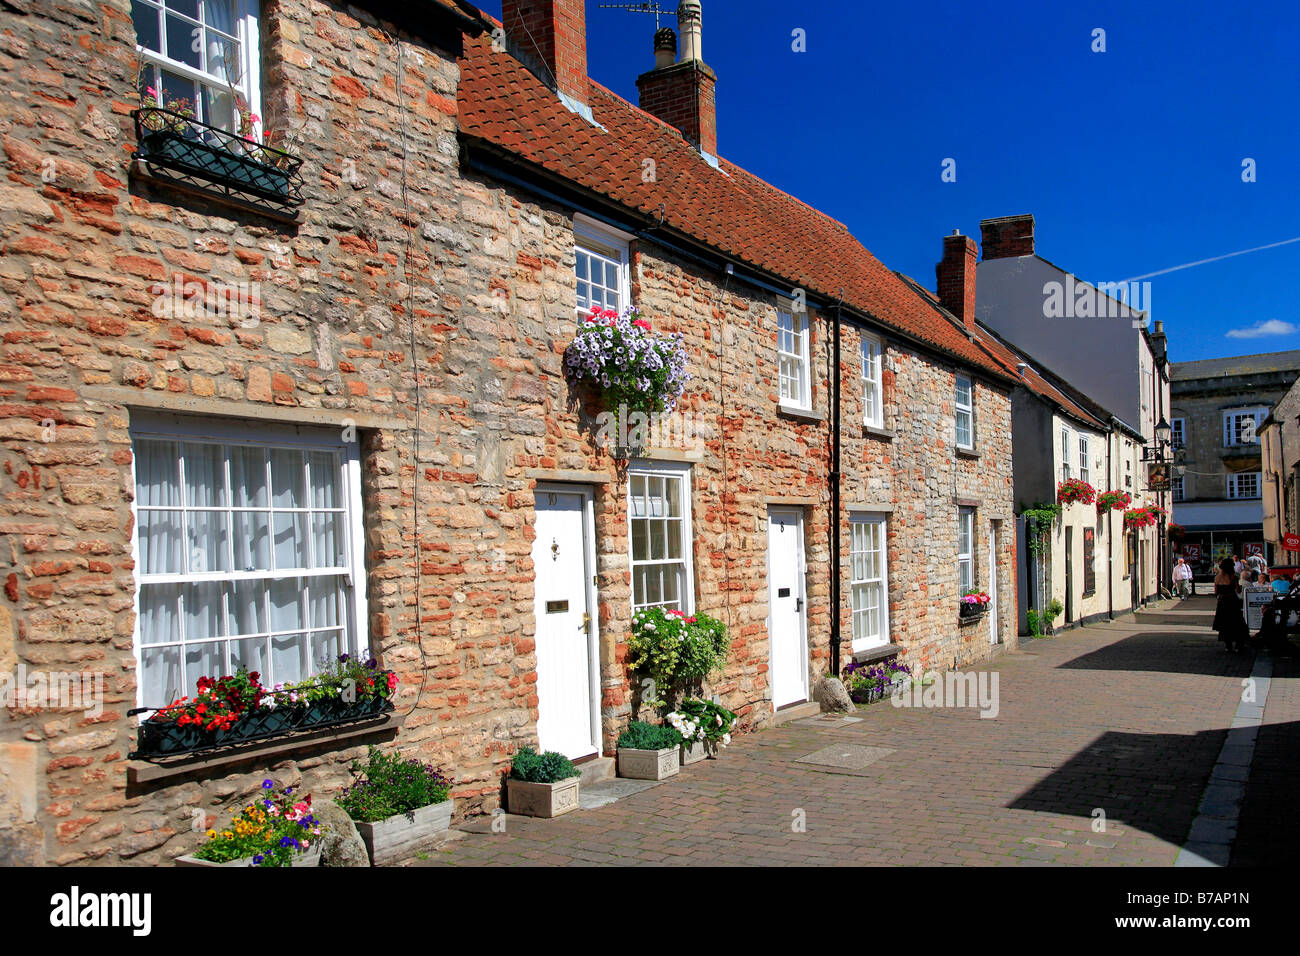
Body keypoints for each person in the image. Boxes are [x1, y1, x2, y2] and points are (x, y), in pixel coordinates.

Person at [1214, 557, 1250, 653]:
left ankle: (1228, 645)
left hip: (1222, 602)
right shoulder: (1233, 577)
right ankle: (1238, 645)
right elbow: (1237, 590)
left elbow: (1216, 592)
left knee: (1224, 624)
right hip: (1232, 601)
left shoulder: (1217, 577)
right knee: (1237, 623)